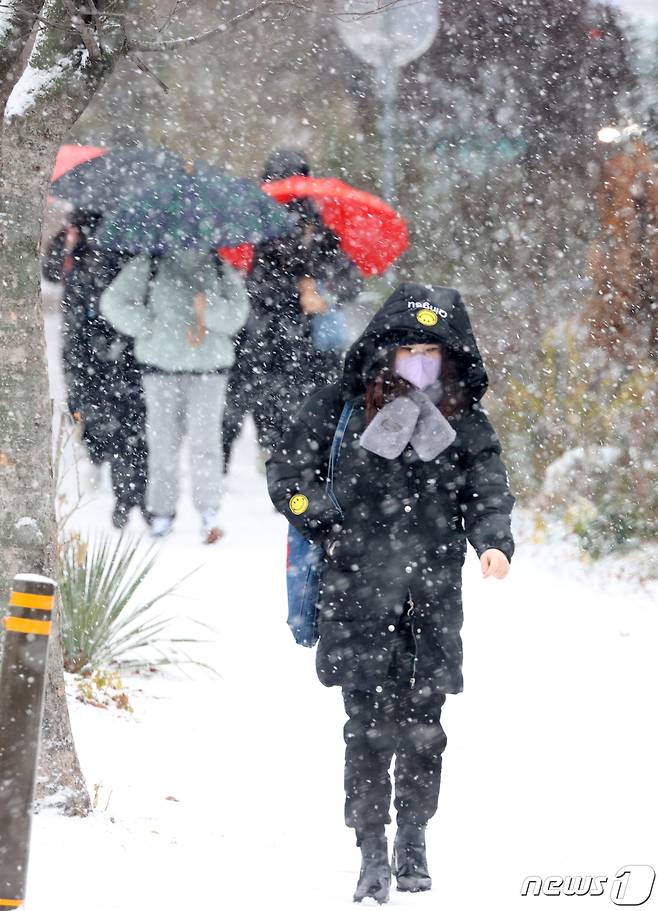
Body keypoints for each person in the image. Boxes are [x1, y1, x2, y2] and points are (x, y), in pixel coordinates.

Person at [267, 283, 515, 903]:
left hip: (432, 593)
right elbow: (288, 469)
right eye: (408, 350)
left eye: (432, 352)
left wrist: (493, 541)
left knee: (425, 724)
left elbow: (487, 488)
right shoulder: (343, 406)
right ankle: (371, 849)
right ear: (384, 351)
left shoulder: (464, 421)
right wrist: (325, 518)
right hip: (355, 589)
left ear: (452, 358)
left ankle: (414, 839)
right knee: (368, 725)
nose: (419, 363)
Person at [222, 148, 362, 469]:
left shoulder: (255, 225)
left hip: (268, 340)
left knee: (269, 405)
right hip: (302, 343)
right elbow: (351, 278)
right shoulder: (318, 227)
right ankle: (292, 462)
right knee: (306, 409)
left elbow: (255, 286)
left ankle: (276, 456)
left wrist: (319, 292)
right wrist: (317, 291)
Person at [100, 248, 248, 543]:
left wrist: (209, 309)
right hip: (161, 369)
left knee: (205, 444)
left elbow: (237, 315)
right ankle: (162, 512)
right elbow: (113, 302)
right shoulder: (150, 264)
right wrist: (149, 325)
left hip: (209, 370)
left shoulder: (219, 267)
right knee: (162, 443)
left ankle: (208, 513)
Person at [43, 211, 149, 529]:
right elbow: (50, 272)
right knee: (86, 405)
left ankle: (127, 489)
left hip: (116, 346)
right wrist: (65, 238)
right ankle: (98, 455)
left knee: (125, 420)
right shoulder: (76, 243)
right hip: (81, 343)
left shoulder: (124, 240)